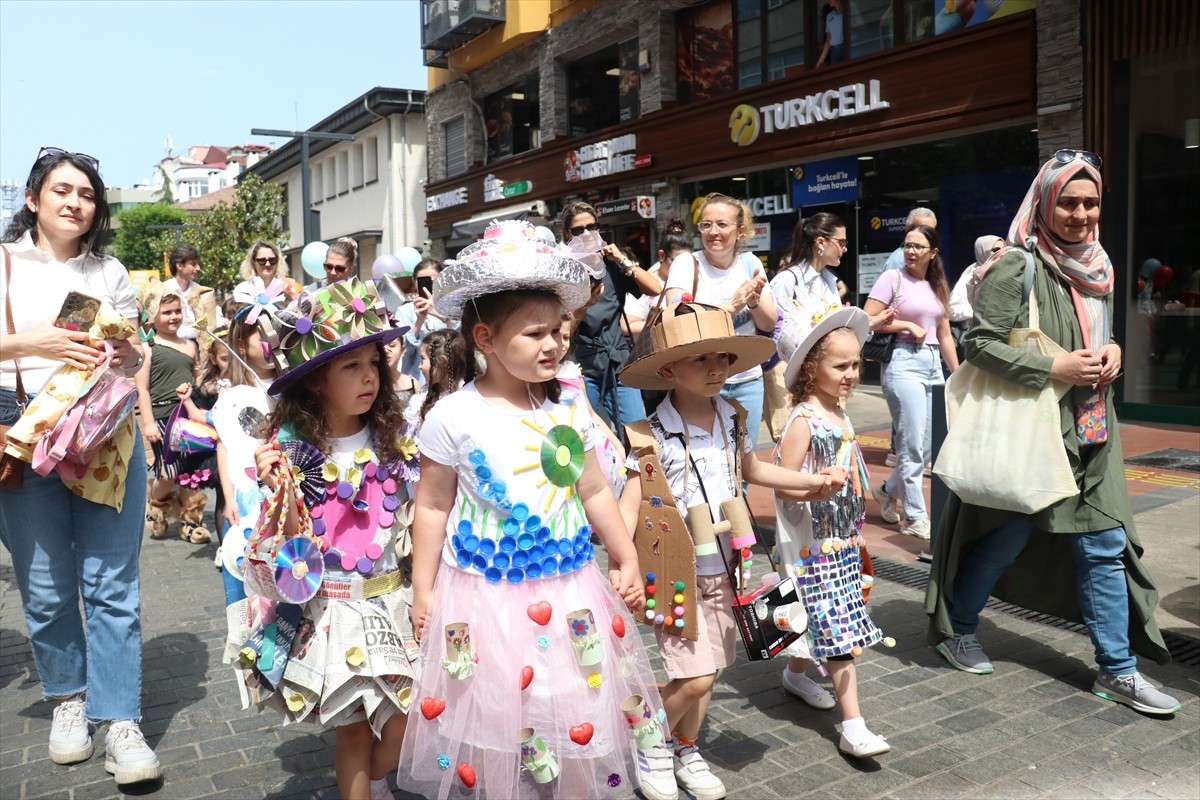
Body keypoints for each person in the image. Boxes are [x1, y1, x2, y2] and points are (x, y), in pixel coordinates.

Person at [400, 220, 672, 800]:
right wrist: (423, 591)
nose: (553, 345)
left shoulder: (568, 410)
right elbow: (430, 505)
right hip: (484, 599)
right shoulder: (454, 417)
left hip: (570, 589)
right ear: (486, 338)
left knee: (570, 711)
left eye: (558, 331)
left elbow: (595, 489)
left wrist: (623, 557)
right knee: (498, 722)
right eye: (535, 334)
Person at [925, 150, 1180, 715]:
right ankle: (958, 627)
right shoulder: (1018, 265)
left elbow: (1105, 331)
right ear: (1044, 203)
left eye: (1091, 202)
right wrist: (1053, 368)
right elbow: (978, 345)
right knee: (1011, 536)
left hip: (1094, 428)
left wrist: (1113, 350)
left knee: (1104, 545)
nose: (1082, 213)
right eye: (1068, 201)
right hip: (1038, 431)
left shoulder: (1102, 266)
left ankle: (1117, 670)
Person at [618, 302, 848, 799]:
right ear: (668, 370)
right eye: (700, 359)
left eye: (722, 357)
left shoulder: (733, 415)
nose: (716, 367)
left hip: (730, 568)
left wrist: (812, 481)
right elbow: (627, 505)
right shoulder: (648, 435)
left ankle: (685, 744)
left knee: (709, 671)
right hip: (673, 570)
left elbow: (754, 471)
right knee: (695, 677)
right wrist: (624, 564)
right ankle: (648, 739)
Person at [0, 147, 161, 785]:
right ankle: (68, 697)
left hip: (104, 430)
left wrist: (126, 350)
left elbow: (135, 357)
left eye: (87, 194)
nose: (75, 202)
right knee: (42, 586)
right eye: (62, 190)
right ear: (34, 199)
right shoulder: (4, 262)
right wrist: (28, 342)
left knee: (112, 585)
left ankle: (120, 717)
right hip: (23, 425)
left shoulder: (112, 270)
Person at [243, 277, 419, 800]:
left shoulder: (395, 433)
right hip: (334, 606)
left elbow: (418, 510)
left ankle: (382, 779)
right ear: (316, 380)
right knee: (352, 729)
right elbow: (295, 548)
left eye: (373, 363)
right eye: (351, 366)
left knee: (405, 722)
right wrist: (281, 489)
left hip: (393, 599)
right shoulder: (291, 448)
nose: (369, 377)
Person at [772, 298, 891, 757]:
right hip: (814, 547)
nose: (851, 373)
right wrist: (819, 486)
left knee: (819, 621)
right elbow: (783, 485)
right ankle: (854, 725)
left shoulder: (839, 413)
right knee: (839, 633)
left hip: (842, 541)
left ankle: (795, 676)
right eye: (840, 365)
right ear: (810, 368)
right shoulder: (804, 419)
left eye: (856, 364)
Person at [865, 225, 958, 539]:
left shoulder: (936, 284)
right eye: (907, 245)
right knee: (912, 445)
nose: (910, 251)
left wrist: (956, 375)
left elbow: (944, 334)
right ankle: (916, 517)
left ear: (933, 253)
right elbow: (868, 318)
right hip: (903, 362)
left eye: (918, 246)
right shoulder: (892, 278)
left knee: (927, 447)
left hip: (933, 365)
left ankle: (887, 490)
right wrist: (905, 324)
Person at [664, 194, 777, 444]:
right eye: (706, 224)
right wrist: (732, 306)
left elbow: (769, 323)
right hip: (698, 381)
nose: (713, 231)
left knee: (743, 460)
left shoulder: (750, 264)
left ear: (740, 230)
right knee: (702, 459)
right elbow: (678, 319)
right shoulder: (686, 264)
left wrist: (753, 301)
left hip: (747, 381)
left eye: (722, 224)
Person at [562, 201, 662, 432]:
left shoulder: (611, 262)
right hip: (582, 368)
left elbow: (655, 289)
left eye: (592, 226)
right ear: (568, 233)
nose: (587, 234)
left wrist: (622, 259)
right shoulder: (564, 270)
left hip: (618, 362)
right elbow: (565, 329)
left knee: (638, 435)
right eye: (578, 229)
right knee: (591, 437)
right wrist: (586, 305)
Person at [136, 282, 213, 544]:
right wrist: (148, 423)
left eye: (177, 311)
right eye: (167, 312)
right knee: (168, 475)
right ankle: (156, 505)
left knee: (192, 473)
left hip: (188, 417)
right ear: (153, 316)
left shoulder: (190, 346)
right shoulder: (148, 349)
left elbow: (196, 380)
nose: (173, 317)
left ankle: (191, 523)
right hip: (161, 419)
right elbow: (143, 390)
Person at [765, 213, 848, 440]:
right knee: (792, 437)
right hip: (789, 369)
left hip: (825, 372)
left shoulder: (829, 281)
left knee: (826, 435)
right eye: (841, 243)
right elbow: (771, 326)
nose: (844, 249)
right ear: (820, 243)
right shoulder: (787, 280)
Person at [623, 220, 691, 338]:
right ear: (661, 256)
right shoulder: (647, 285)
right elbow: (627, 325)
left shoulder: (693, 280)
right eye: (676, 261)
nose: (682, 266)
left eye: (687, 261)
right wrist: (665, 322)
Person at [947, 235, 1004, 362]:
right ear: (982, 251)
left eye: (1004, 249)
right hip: (976, 341)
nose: (1001, 253)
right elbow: (951, 311)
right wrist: (980, 310)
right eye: (996, 250)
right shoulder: (969, 278)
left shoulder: (1006, 275)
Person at [394, 258, 450, 382]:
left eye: (433, 281)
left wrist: (440, 315)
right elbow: (402, 350)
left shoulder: (450, 307)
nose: (427, 285)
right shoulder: (404, 311)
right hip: (417, 379)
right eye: (422, 281)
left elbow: (461, 338)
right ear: (414, 282)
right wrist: (418, 322)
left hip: (449, 379)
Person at [162, 244, 214, 340]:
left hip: (198, 345)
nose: (198, 268)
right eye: (193, 264)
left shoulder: (200, 291)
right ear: (179, 265)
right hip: (169, 344)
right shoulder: (163, 290)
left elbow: (211, 323)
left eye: (198, 264)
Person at [815, 0, 845, 67]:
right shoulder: (829, 16)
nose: (828, 1)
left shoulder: (847, 12)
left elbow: (861, 28)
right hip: (833, 51)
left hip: (845, 48)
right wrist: (821, 59)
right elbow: (828, 40)